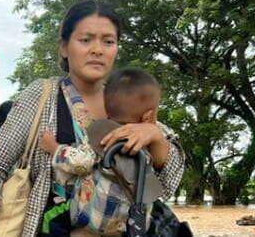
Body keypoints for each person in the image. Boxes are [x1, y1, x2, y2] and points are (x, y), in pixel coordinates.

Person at [0, 0, 186, 237]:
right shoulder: (42, 94)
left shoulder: (127, 100)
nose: (97, 49)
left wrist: (154, 137)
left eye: (108, 41)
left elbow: (165, 184)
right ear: (64, 47)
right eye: (86, 40)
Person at [42, 67, 164, 234]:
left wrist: (55, 148)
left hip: (92, 215)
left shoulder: (102, 137)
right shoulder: (149, 144)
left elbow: (81, 162)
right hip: (131, 223)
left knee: (50, 218)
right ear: (148, 116)